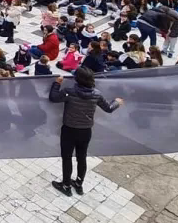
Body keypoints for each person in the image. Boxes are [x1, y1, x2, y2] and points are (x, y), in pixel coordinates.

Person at [49, 68, 123, 196]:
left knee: (67, 158)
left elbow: (53, 98)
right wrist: (117, 102)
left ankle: (66, 185)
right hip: (85, 131)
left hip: (69, 130)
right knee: (81, 158)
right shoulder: (97, 94)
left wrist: (57, 83)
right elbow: (109, 109)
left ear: (77, 79)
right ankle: (78, 184)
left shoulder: (69, 92)